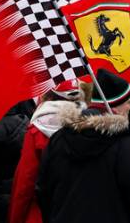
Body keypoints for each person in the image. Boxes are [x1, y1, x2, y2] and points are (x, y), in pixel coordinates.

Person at [36, 70, 130, 223]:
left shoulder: (59, 137)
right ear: (115, 106)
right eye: (128, 103)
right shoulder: (125, 144)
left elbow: (44, 189)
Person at [9, 80, 84, 223]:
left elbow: (25, 182)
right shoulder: (90, 125)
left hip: (42, 213)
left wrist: (15, 217)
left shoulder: (37, 131)